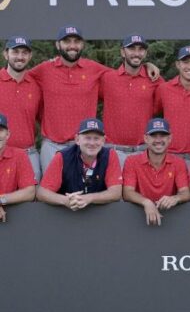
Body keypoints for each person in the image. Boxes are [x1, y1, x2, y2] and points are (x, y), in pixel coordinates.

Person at [29, 25, 160, 172]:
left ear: (82, 44)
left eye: (76, 41)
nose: (72, 46)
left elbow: (125, 74)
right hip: (52, 147)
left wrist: (146, 65)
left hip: (86, 146)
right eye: (67, 41)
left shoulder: (94, 69)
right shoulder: (44, 69)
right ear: (58, 44)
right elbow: (21, 78)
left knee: (85, 193)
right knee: (51, 192)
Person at [101, 34, 164, 168]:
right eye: (131, 49)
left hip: (142, 151)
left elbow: (176, 94)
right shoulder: (107, 78)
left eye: (140, 49)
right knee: (113, 190)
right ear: (123, 52)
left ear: (145, 53)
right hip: (112, 151)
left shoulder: (154, 79)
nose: (136, 53)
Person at [37, 118, 122, 210]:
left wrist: (89, 198)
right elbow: (42, 193)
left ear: (103, 141)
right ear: (77, 139)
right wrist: (65, 200)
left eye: (96, 138)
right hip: (67, 213)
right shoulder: (62, 156)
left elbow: (116, 192)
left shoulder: (110, 155)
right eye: (87, 138)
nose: (92, 143)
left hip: (100, 212)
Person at [123, 118, 190, 226]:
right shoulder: (132, 161)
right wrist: (147, 202)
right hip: (137, 218)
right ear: (146, 138)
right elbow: (127, 193)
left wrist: (175, 198)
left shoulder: (179, 163)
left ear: (170, 138)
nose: (158, 140)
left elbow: (186, 193)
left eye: (163, 135)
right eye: (154, 135)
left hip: (171, 219)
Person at [155, 45, 190, 169]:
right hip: (168, 157)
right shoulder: (164, 89)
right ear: (178, 64)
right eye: (185, 62)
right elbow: (153, 113)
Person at [0, 36, 42, 180]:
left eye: (24, 52)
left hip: (28, 154)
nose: (20, 56)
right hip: (1, 154)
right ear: (6, 54)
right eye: (15, 52)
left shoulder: (36, 85)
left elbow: (44, 119)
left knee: (33, 198)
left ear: (30, 56)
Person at [0, 113, 36, 223]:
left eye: (0, 130)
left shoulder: (19, 155)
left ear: (8, 134)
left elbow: (30, 192)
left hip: (13, 219)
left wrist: (1, 200)